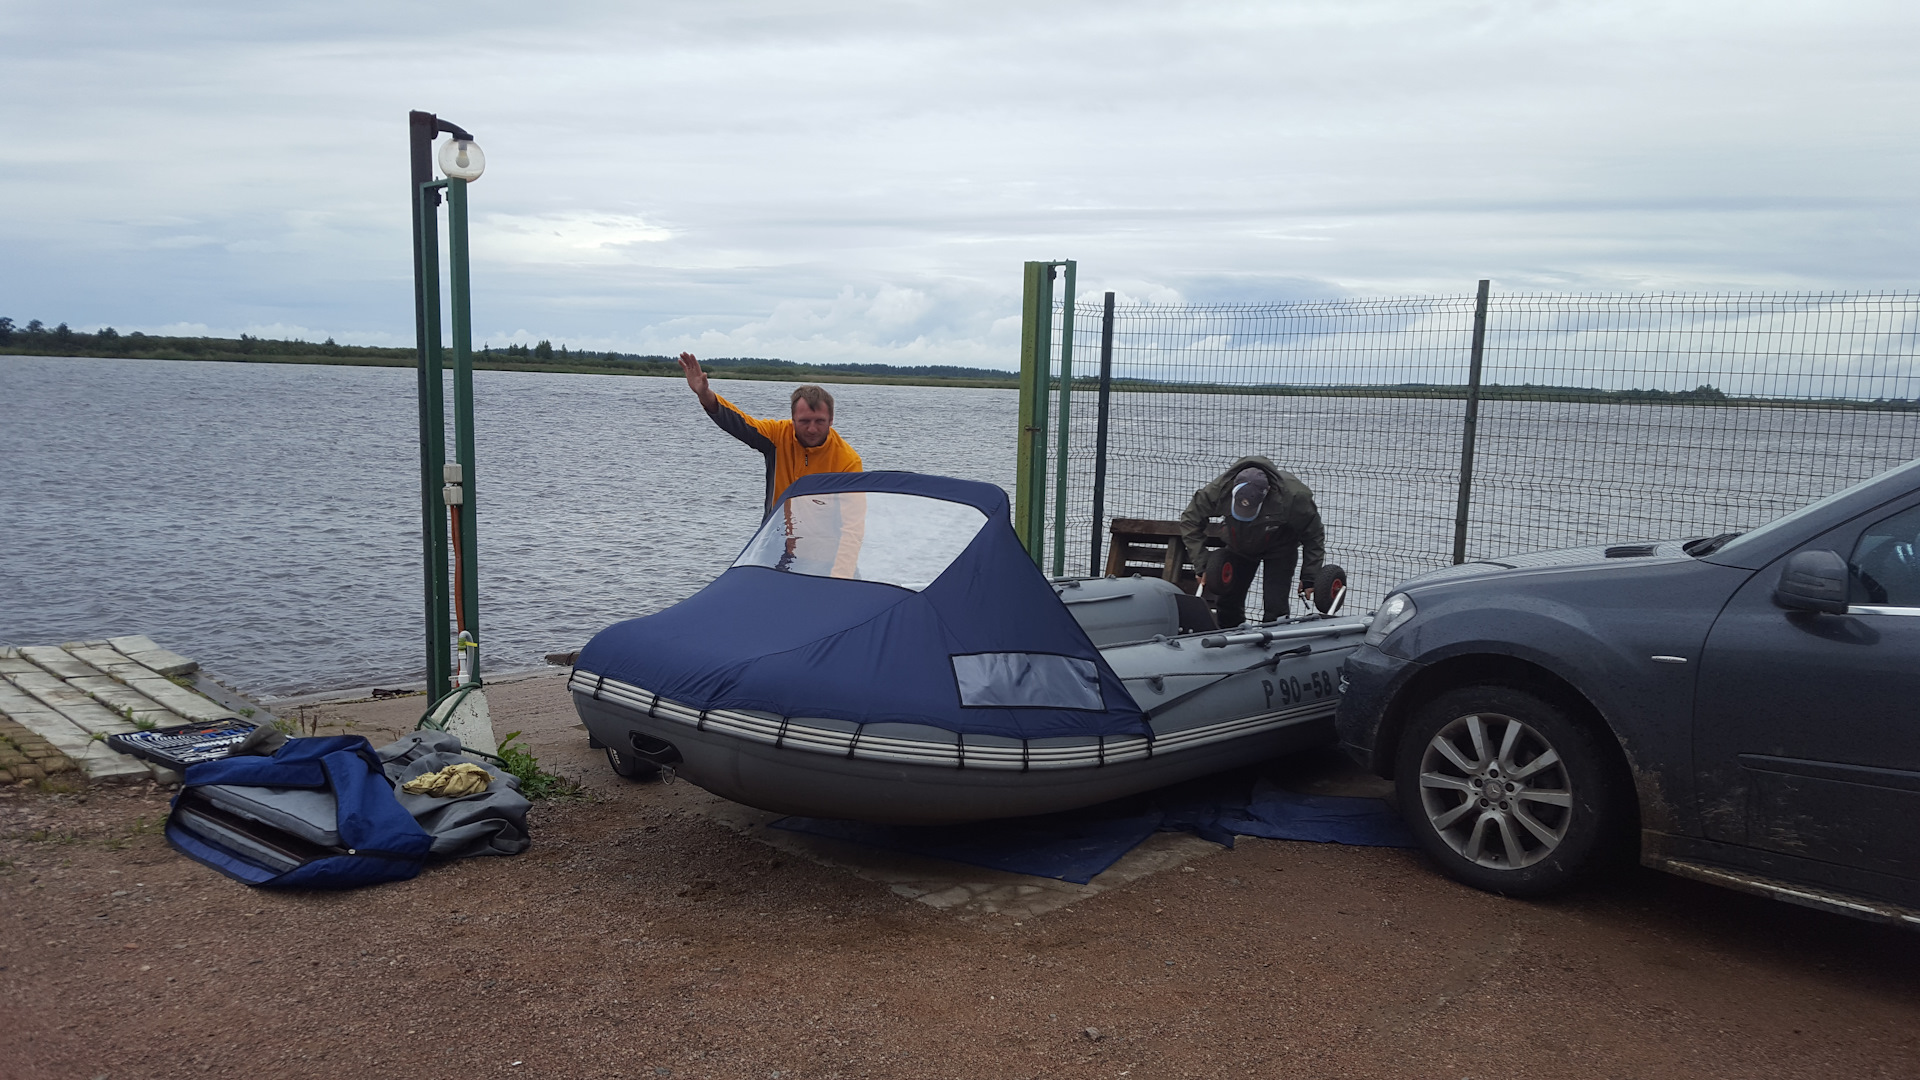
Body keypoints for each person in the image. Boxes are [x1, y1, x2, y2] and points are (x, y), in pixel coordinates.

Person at [678, 352, 863, 513]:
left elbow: (852, 519)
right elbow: (739, 423)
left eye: (820, 421)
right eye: (804, 421)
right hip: (775, 541)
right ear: (793, 420)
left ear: (831, 420)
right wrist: (705, 395)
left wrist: (844, 554)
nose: (812, 429)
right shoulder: (778, 436)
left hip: (822, 546)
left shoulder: (847, 461)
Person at [1179, 456, 1326, 626]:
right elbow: (1190, 521)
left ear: (1267, 492)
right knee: (1227, 602)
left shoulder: (1293, 497)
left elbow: (1313, 535)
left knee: (1275, 606)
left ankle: (1273, 644)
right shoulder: (1218, 491)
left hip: (1280, 548)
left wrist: (1309, 576)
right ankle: (1230, 641)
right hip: (1238, 545)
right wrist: (1202, 564)